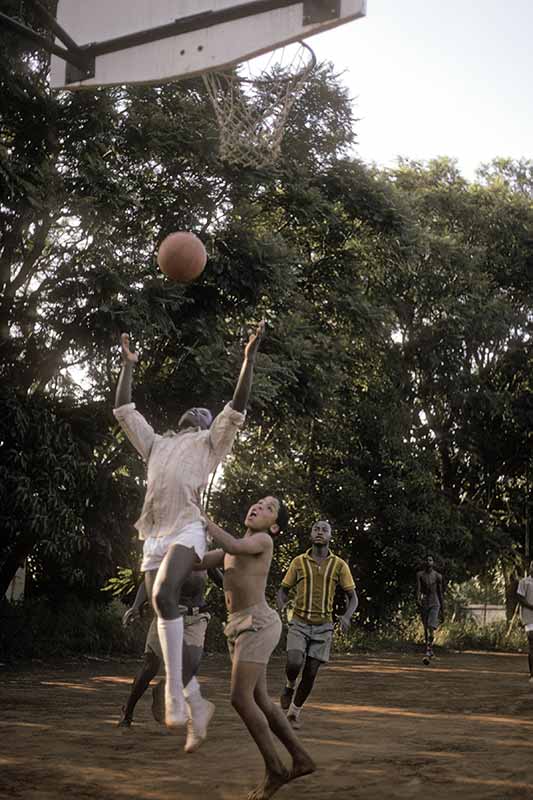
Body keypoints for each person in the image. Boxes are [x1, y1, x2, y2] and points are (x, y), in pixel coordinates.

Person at [113, 321, 264, 731]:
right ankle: (178, 700)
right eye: (194, 411)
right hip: (153, 537)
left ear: (207, 425)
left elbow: (237, 407)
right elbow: (124, 411)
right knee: (159, 607)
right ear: (181, 419)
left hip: (186, 529)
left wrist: (248, 359)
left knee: (164, 594)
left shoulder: (210, 444)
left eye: (206, 413)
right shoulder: (157, 444)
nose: (200, 412)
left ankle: (176, 698)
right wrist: (128, 366)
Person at [197, 496, 316, 800]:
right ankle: (300, 758)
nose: (259, 507)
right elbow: (197, 561)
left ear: (273, 526)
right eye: (258, 503)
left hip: (259, 623)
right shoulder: (231, 547)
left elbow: (235, 547)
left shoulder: (262, 541)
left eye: (269, 508)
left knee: (240, 697)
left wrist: (203, 518)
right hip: (238, 626)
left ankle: (275, 769)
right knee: (261, 699)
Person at [117, 568, 222, 752]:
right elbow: (148, 579)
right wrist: (136, 606)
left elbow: (224, 581)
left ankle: (162, 689)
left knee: (190, 667)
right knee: (150, 666)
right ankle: (128, 712)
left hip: (197, 618)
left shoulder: (206, 555)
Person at [277, 519, 358, 730]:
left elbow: (353, 597)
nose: (320, 532)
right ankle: (289, 685)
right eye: (316, 529)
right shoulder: (298, 562)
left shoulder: (339, 565)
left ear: (330, 536)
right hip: (300, 622)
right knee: (294, 662)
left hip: (324, 626)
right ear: (311, 535)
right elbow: (283, 590)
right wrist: (281, 607)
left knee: (311, 672)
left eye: (325, 529)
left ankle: (294, 713)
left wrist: (347, 616)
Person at [416, 554, 444, 663]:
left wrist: (442, 608)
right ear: (424, 562)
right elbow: (418, 588)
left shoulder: (438, 576)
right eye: (427, 560)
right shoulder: (420, 575)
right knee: (426, 627)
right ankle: (429, 650)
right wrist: (418, 599)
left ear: (433, 562)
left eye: (431, 560)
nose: (428, 562)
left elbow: (440, 592)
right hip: (425, 602)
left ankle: (428, 650)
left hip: (435, 602)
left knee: (431, 627)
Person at [516, 561, 533, 685]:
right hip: (529, 618)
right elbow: (520, 598)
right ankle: (532, 674)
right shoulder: (524, 582)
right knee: (532, 645)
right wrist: (531, 607)